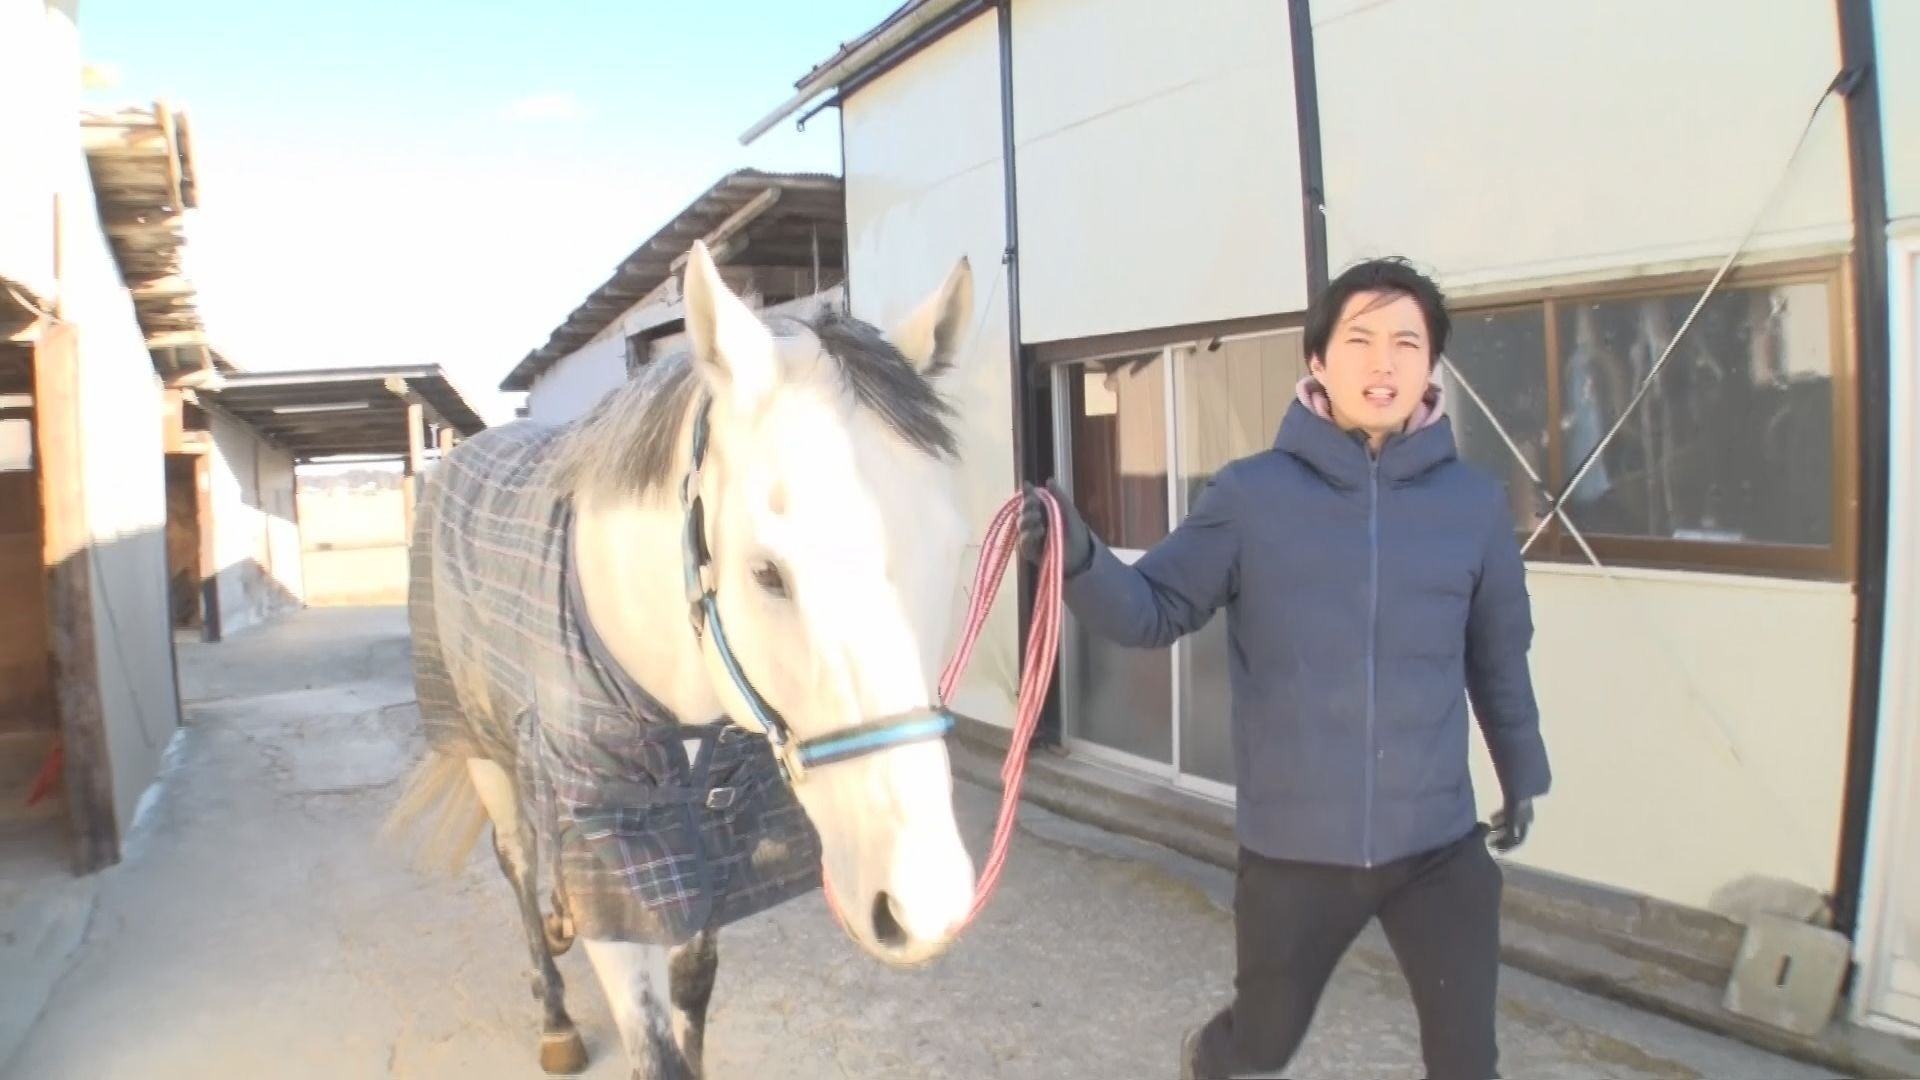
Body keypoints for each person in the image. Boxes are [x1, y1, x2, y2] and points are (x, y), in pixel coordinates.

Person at [1019, 257, 1551, 1080]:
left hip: (1437, 844)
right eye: (1361, 339)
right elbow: (1154, 608)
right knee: (1259, 1046)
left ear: (1431, 366)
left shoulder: (1473, 506)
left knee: (1467, 1059)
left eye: (1407, 343)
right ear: (1318, 361)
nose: (1384, 363)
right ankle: (1210, 1057)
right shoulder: (1252, 495)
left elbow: (1498, 656)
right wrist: (1077, 556)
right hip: (1296, 855)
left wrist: (1523, 774)